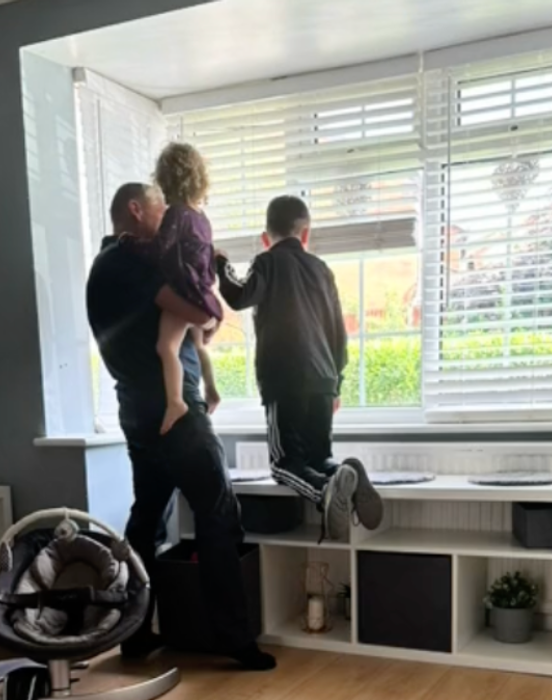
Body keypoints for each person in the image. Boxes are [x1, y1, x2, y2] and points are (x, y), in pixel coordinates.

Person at [85, 182, 275, 671]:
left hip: (136, 409)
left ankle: (136, 633)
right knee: (218, 512)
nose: (168, 215)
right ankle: (233, 639)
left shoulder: (109, 267)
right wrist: (210, 298)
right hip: (172, 411)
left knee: (146, 519)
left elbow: (193, 326)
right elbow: (200, 313)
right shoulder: (125, 264)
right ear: (134, 209)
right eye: (159, 207)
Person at [214, 195, 383, 540]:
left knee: (284, 464)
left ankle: (325, 493)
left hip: (283, 379)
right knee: (320, 457)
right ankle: (346, 471)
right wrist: (336, 383)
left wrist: (221, 265)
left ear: (266, 237)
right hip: (323, 379)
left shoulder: (267, 262)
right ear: (305, 234)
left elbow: (239, 296)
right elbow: (338, 334)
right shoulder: (322, 270)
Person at [133, 143, 223, 435]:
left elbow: (161, 249)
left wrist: (134, 246)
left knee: (166, 346)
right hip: (201, 289)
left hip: (184, 289)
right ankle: (211, 389)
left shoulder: (177, 214)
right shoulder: (201, 217)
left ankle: (175, 402)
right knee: (197, 345)